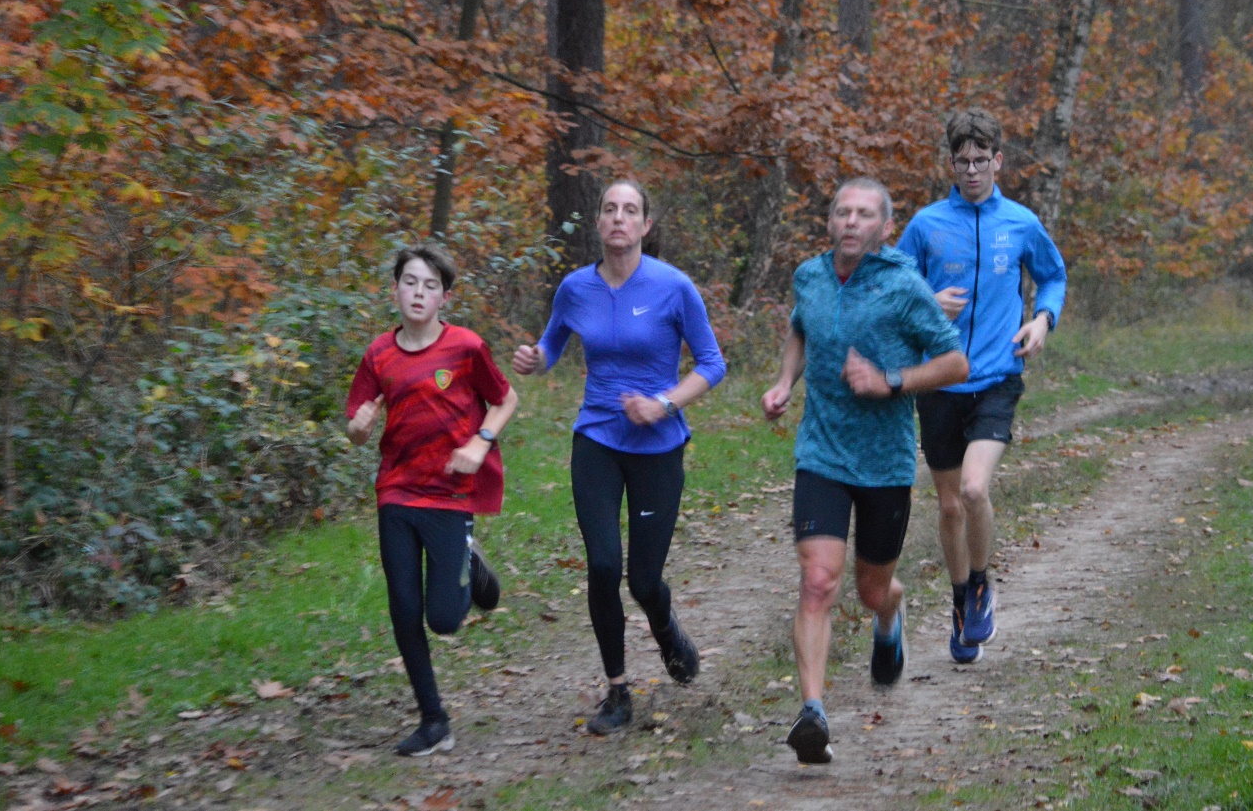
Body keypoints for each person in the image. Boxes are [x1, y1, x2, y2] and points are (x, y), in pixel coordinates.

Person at [762, 178, 969, 764]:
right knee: (818, 582)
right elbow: (801, 328)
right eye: (842, 212)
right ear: (830, 222)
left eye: (864, 215)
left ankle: (891, 614)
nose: (851, 222)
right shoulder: (810, 276)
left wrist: (889, 382)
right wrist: (784, 382)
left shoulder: (905, 288)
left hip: (884, 462)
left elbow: (955, 362)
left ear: (884, 228)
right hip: (821, 454)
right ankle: (813, 713)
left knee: (871, 588)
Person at [512, 180, 726, 735]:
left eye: (630, 211)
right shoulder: (575, 288)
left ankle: (666, 628)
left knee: (643, 580)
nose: (619, 218)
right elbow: (553, 344)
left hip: (658, 447)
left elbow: (711, 364)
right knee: (604, 566)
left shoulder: (673, 287)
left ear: (645, 226)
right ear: (599, 221)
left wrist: (664, 403)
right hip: (597, 440)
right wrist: (535, 358)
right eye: (610, 209)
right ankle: (616, 690)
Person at [896, 108, 1067, 664]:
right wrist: (927, 300)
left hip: (997, 376)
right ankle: (958, 600)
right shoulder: (926, 224)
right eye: (961, 161)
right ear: (951, 162)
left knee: (973, 489)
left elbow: (1054, 276)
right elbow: (890, 286)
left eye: (981, 161)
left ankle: (981, 586)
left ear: (998, 160)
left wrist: (1042, 319)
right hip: (939, 380)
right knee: (948, 506)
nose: (971, 171)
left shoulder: (1020, 222)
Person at [346, 245, 519, 756]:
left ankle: (470, 561)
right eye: (409, 282)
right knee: (404, 609)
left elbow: (506, 399)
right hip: (396, 490)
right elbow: (357, 419)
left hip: (449, 492)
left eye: (429, 285)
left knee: (443, 619)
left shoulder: (465, 347)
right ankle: (433, 720)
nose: (418, 293)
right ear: (395, 288)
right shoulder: (379, 354)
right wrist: (358, 428)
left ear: (444, 296)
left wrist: (478, 442)